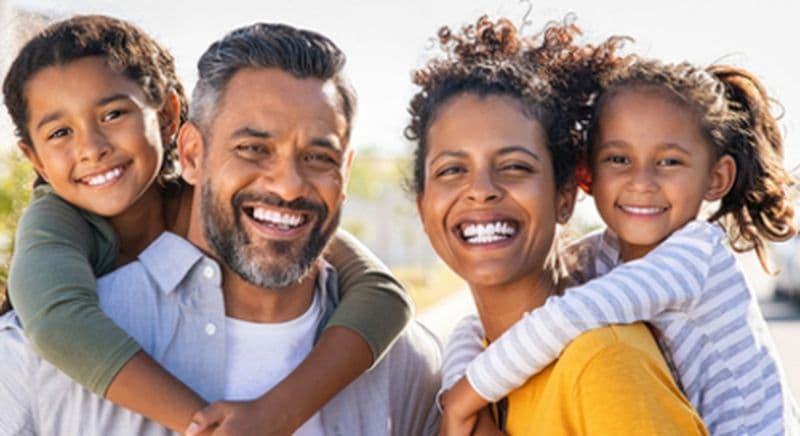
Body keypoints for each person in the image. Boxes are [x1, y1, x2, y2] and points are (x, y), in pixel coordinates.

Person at [0, 20, 440, 436]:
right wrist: (203, 424)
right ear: (193, 154)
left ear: (169, 119)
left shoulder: (405, 365)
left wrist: (274, 414)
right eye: (252, 148)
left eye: (318, 157)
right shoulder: (52, 241)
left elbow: (381, 291)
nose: (92, 148)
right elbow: (55, 320)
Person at [439, 33, 800, 436]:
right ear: (587, 174)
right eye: (619, 159)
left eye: (669, 161)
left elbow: (564, 318)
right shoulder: (603, 255)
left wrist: (463, 400)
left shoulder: (695, 257)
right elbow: (474, 328)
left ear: (717, 178)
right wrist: (457, 392)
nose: (641, 181)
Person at [408, 16, 706, 435]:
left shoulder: (603, 361)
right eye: (452, 169)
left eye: (514, 166)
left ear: (564, 196)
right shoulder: (469, 366)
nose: (480, 190)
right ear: (423, 208)